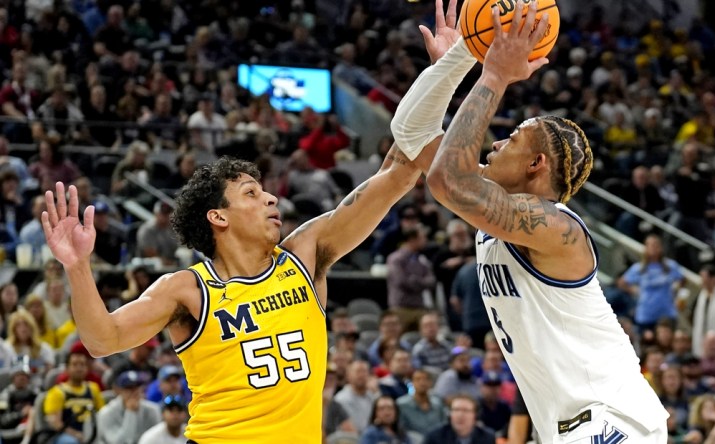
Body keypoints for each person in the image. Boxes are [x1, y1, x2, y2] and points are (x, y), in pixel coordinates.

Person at [390, 0, 668, 441]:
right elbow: (410, 133)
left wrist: (495, 74)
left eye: (513, 137)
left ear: (537, 163)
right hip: (564, 425)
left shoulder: (558, 228)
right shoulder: (499, 208)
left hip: (611, 419)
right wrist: (466, 52)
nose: (498, 141)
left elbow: (447, 180)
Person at [42, 135, 429, 441]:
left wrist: (446, 69)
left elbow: (398, 172)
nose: (271, 198)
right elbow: (102, 340)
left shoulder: (304, 255)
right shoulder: (188, 290)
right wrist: (77, 267)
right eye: (251, 193)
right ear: (218, 216)